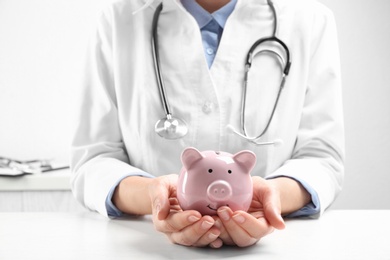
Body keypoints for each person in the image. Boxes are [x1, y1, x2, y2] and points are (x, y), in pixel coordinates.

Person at [70, 0, 344, 249]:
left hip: (273, 249)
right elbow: (94, 160)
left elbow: (321, 160)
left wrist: (268, 199)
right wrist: (155, 197)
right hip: (146, 247)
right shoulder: (119, 18)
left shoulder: (310, 19)